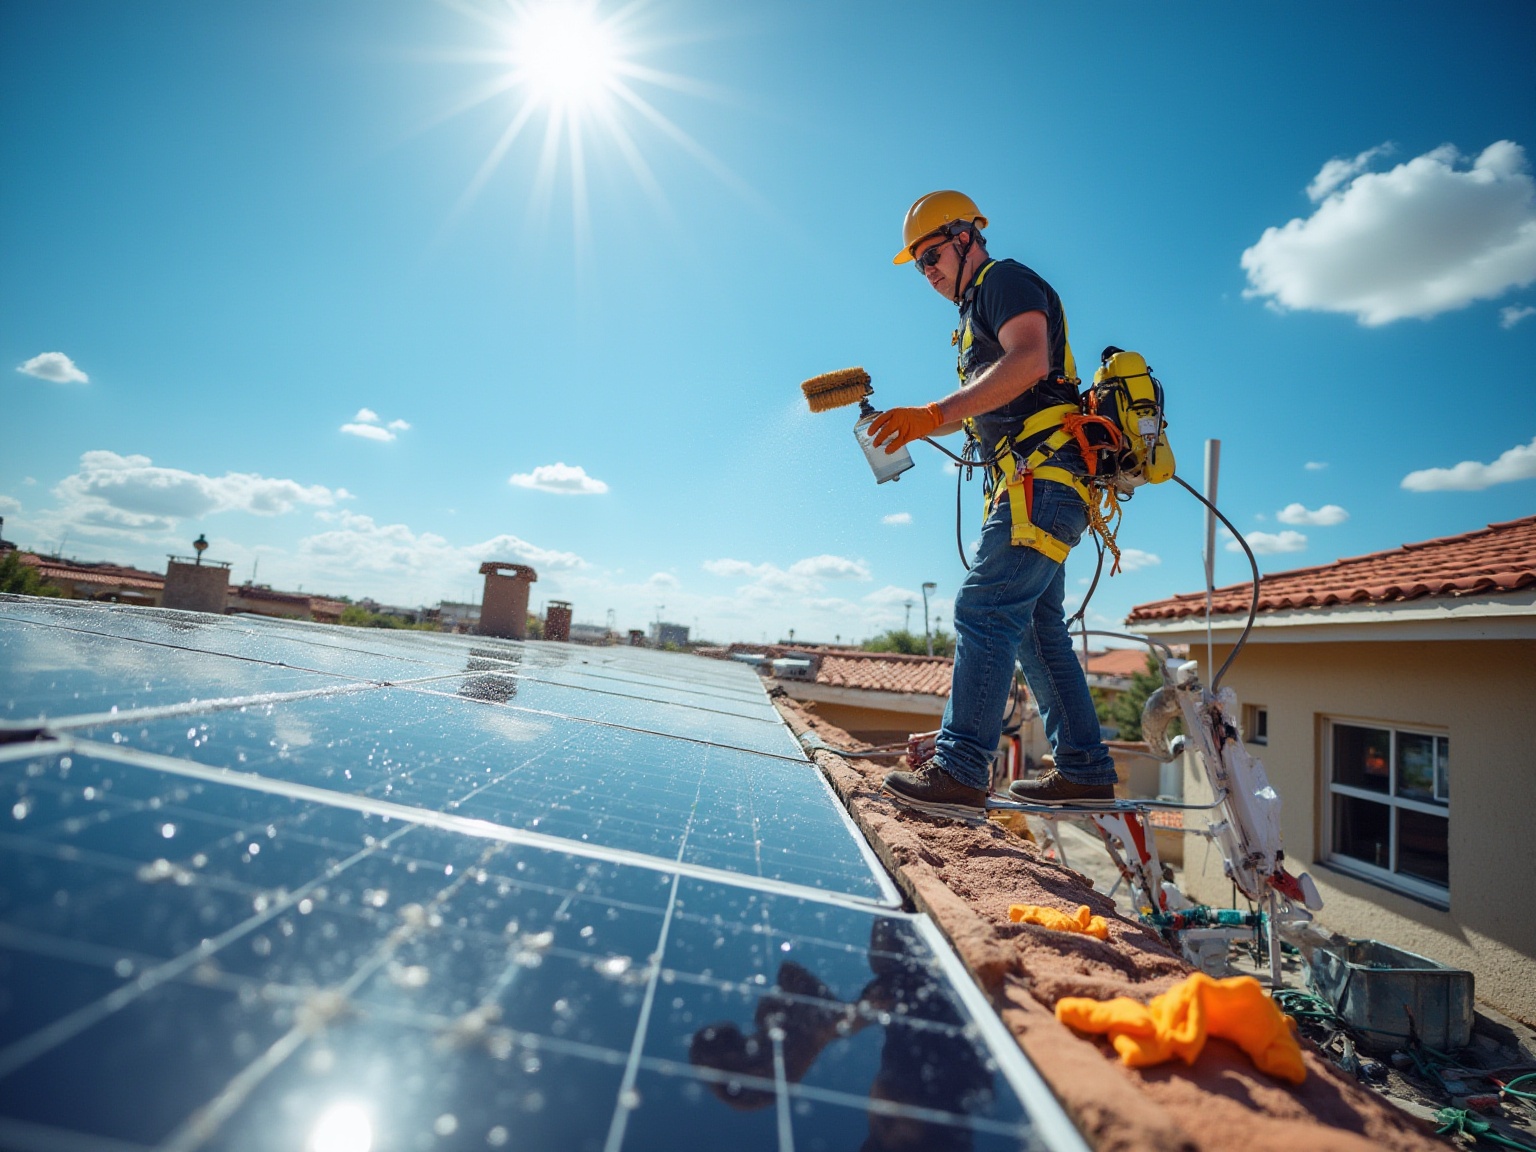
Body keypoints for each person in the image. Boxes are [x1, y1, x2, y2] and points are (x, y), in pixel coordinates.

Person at [869, 190, 1117, 820]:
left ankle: (959, 766)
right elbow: (997, 393)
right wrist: (921, 423)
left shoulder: (1002, 279)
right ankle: (1085, 768)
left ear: (965, 238)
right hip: (1035, 483)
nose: (927, 273)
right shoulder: (974, 310)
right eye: (919, 265)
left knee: (984, 606)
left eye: (932, 255)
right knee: (1034, 624)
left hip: (1044, 479)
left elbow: (1029, 358)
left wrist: (932, 414)